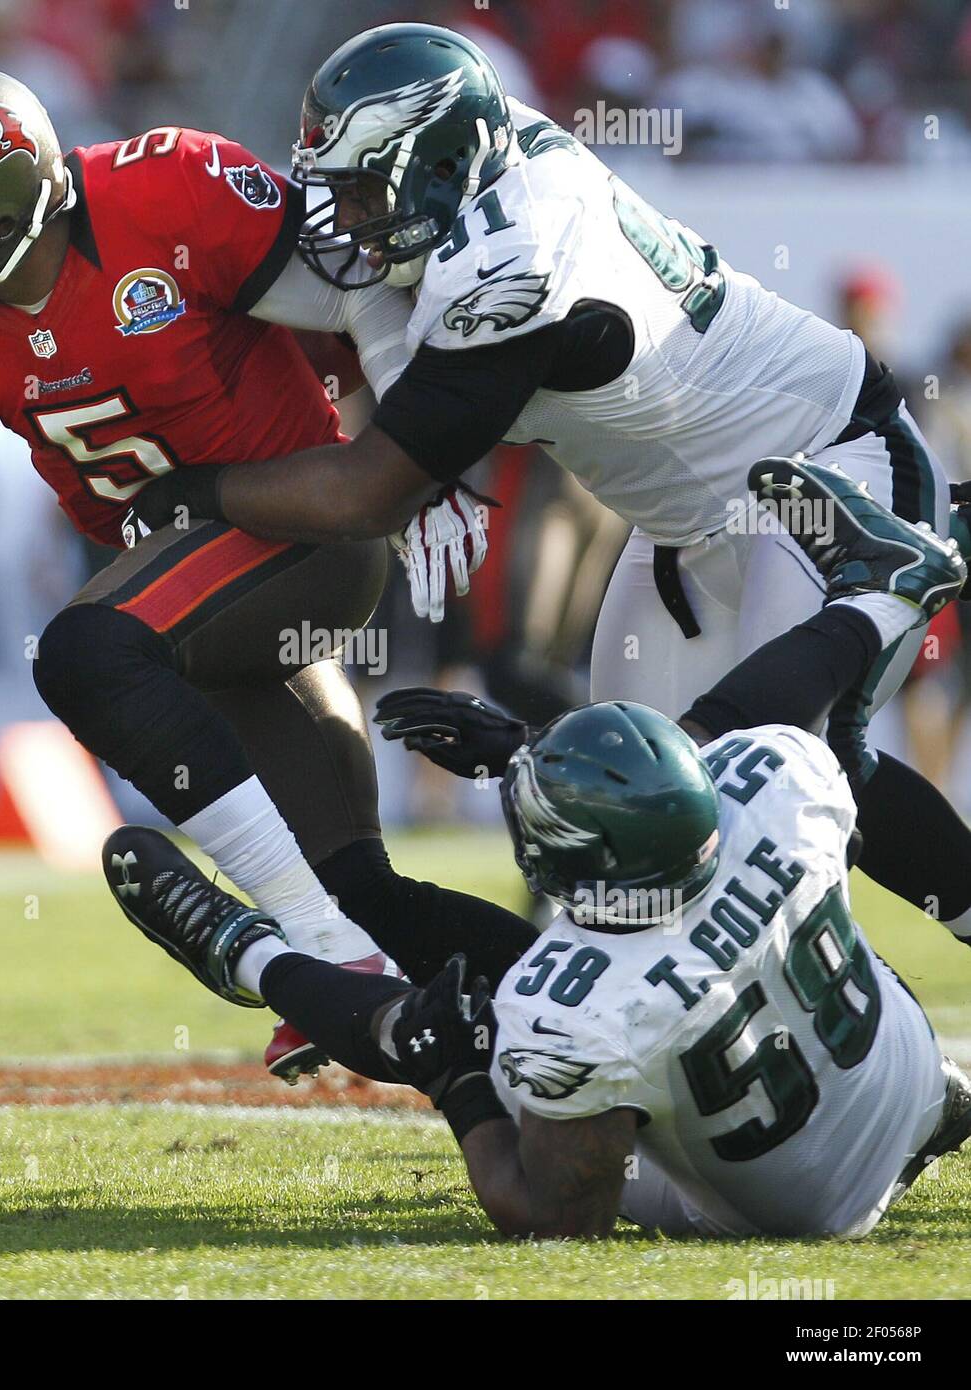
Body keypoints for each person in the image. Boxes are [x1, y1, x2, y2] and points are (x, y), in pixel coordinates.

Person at [132, 20, 971, 948]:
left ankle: (857, 1048)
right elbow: (359, 306)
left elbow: (369, 492)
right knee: (628, 829)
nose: (351, 219)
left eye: (368, 190)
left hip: (826, 472)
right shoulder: (484, 166)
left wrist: (196, 493)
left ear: (440, 166)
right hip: (681, 524)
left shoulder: (514, 261)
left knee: (777, 784)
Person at [0, 64, 530, 1079]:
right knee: (359, 883)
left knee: (87, 654)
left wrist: (422, 453)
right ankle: (566, 998)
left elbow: (364, 289)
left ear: (2, 205)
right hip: (185, 586)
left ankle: (315, 950)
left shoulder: (171, 195)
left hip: (300, 529)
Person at [104, 456, 970, 1239]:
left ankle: (246, 953)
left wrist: (459, 1086)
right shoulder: (780, 789)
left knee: (436, 1037)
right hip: (906, 1081)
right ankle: (881, 594)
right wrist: (531, 748)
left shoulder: (577, 1013)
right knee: (757, 789)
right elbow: (722, 734)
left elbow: (554, 1216)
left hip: (797, 1207)